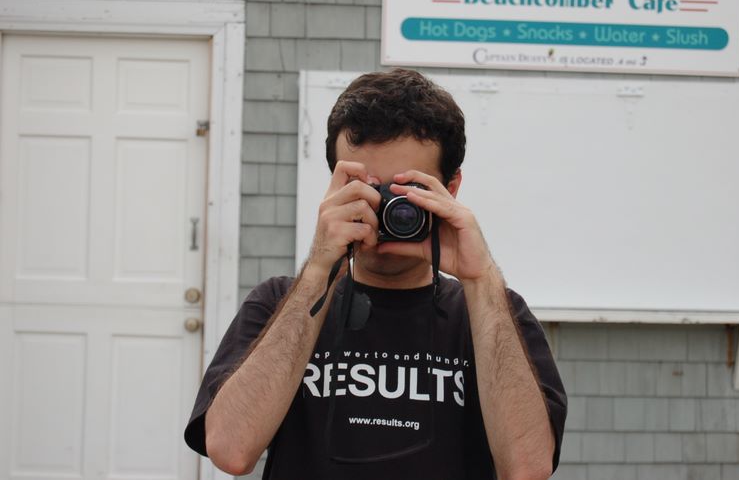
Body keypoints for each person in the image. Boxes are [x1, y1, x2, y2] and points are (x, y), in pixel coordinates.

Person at [184, 68, 567, 480]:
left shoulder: (493, 314)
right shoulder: (279, 304)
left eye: (405, 191)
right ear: (336, 185)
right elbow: (230, 451)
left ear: (450, 189)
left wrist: (480, 279)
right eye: (366, 186)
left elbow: (527, 468)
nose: (384, 208)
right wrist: (319, 270)